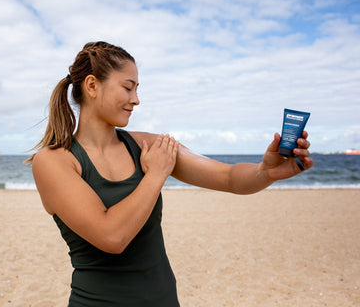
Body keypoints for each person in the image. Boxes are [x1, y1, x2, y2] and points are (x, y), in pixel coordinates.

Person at [26, 41, 313, 306]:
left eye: (137, 88)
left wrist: (266, 171)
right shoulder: (53, 161)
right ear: (92, 86)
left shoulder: (147, 146)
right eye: (128, 87)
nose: (135, 99)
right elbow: (112, 237)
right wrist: (155, 175)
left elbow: (228, 178)